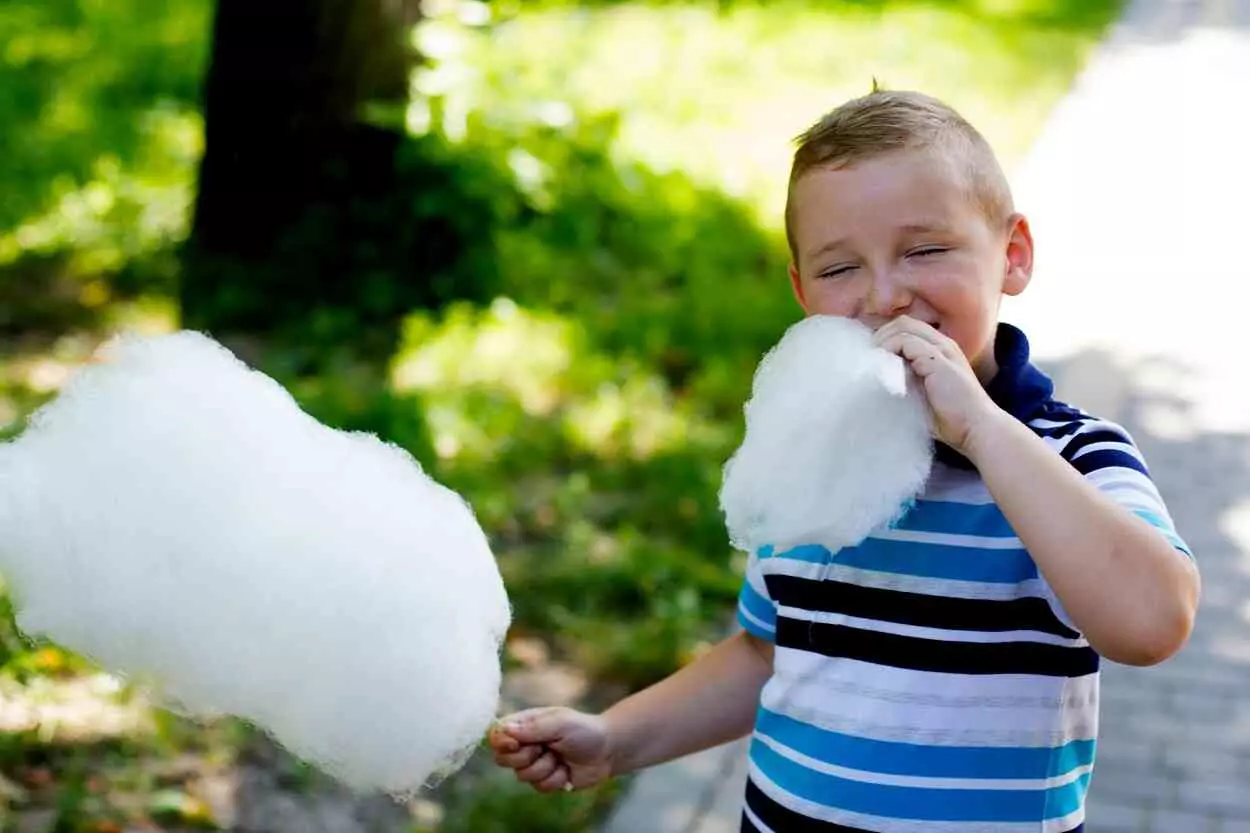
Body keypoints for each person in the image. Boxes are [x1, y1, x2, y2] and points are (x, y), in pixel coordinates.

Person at [487, 87, 1200, 832]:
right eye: (840, 269)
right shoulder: (816, 456)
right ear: (801, 292)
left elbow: (1152, 622)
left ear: (1012, 255)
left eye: (925, 249)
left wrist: (985, 432)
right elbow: (766, 651)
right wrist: (616, 739)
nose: (885, 295)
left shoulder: (1069, 456)